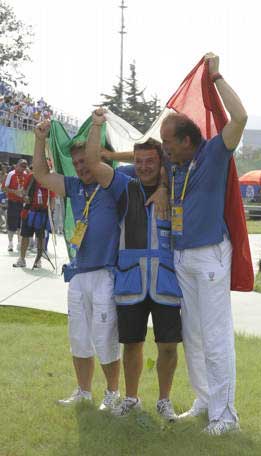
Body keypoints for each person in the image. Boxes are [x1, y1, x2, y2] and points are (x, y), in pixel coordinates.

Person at [158, 52, 248, 435]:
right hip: (182, 257)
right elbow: (144, 156)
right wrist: (162, 183)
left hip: (211, 254)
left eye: (169, 142)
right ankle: (204, 399)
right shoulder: (174, 167)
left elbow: (240, 118)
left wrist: (216, 77)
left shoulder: (213, 153)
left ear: (188, 140)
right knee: (192, 332)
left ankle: (225, 416)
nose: (165, 149)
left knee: (214, 334)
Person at [85, 110, 182, 421]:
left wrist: (165, 186)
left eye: (150, 161)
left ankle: (164, 401)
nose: (143, 166)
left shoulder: (175, 181)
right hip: (130, 280)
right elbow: (93, 163)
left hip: (166, 280)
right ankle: (131, 397)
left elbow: (175, 158)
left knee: (168, 345)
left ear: (161, 160)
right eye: (138, 161)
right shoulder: (123, 185)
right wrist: (97, 126)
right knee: (132, 344)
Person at [33, 121, 125, 410]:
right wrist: (39, 139)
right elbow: (41, 174)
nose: (80, 167)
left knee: (104, 335)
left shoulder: (111, 181)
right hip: (79, 272)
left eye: (84, 160)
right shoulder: (74, 186)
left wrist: (96, 131)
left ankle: (112, 393)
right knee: (79, 337)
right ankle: (83, 391)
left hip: (106, 273)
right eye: (75, 162)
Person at [12, 173, 56, 268]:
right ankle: (22, 259)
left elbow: (52, 197)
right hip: (29, 211)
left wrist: (51, 213)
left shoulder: (49, 179)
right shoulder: (31, 177)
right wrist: (24, 197)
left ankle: (38, 260)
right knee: (25, 236)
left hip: (42, 213)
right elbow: (23, 191)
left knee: (40, 237)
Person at [2, 159, 28, 252]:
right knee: (11, 223)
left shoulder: (26, 175)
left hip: (22, 203)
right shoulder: (11, 174)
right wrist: (15, 192)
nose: (23, 168)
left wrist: (24, 195)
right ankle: (10, 243)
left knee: (20, 224)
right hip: (12, 202)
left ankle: (19, 243)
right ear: (17, 165)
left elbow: (27, 189)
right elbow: (4, 188)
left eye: (25, 167)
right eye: (21, 166)